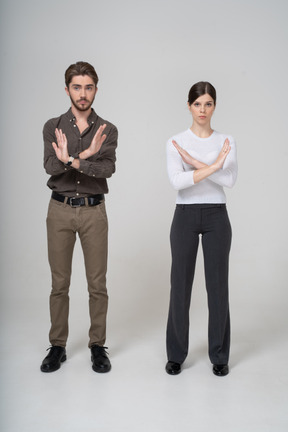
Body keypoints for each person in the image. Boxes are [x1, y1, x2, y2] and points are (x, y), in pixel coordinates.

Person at [41, 61, 118, 373]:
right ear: (67, 89)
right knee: (59, 283)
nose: (83, 93)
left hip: (93, 211)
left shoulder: (107, 130)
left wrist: (73, 159)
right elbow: (49, 166)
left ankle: (97, 345)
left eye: (88, 87)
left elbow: (107, 169)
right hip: (58, 210)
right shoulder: (53, 126)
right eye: (77, 87)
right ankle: (57, 345)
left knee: (97, 284)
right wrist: (84, 158)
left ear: (96, 89)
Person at [165, 81, 237, 376]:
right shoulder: (174, 141)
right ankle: (175, 355)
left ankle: (220, 356)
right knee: (180, 287)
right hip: (185, 214)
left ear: (214, 106)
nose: (202, 110)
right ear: (189, 106)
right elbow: (177, 182)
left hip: (216, 215)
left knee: (217, 288)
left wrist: (194, 163)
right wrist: (213, 165)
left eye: (208, 104)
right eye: (197, 104)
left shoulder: (227, 140)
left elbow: (230, 181)